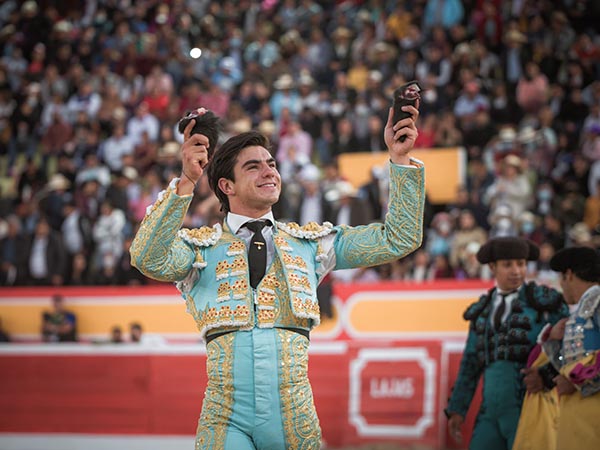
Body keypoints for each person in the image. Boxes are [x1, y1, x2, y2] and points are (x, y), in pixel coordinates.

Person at [130, 103, 425, 449]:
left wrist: (400, 160)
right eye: (253, 167)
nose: (269, 172)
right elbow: (146, 257)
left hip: (293, 414)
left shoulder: (313, 244)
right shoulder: (199, 250)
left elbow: (398, 238)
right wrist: (187, 181)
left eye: (271, 164)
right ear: (227, 185)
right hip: (225, 416)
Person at [446, 237, 569, 450]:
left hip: (529, 403)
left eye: (521, 264)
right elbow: (470, 362)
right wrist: (458, 408)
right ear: (492, 267)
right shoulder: (482, 309)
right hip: (489, 411)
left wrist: (547, 376)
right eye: (507, 265)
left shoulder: (543, 301)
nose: (516, 271)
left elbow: (569, 343)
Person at [540, 246, 600, 450]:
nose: (561, 286)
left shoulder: (597, 303)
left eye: (561, 279)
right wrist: (554, 342)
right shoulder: (579, 314)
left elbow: (575, 376)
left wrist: (578, 383)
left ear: (569, 275)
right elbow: (567, 367)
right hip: (577, 419)